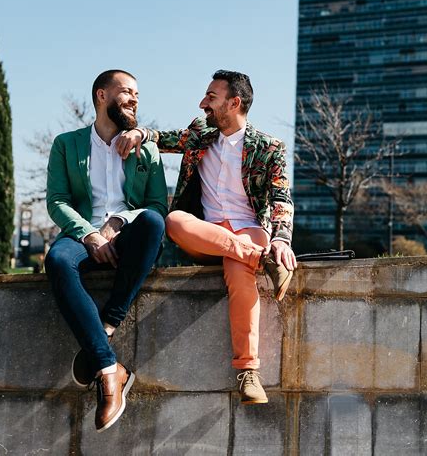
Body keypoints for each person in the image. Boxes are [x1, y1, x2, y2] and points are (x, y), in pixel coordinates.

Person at [117, 69, 295, 405]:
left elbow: (282, 197)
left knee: (240, 275)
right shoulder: (200, 133)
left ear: (234, 102)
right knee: (174, 221)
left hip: (249, 229)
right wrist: (141, 132)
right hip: (205, 232)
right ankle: (261, 260)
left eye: (211, 98)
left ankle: (249, 373)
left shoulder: (270, 148)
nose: (202, 104)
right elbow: (166, 138)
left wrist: (281, 240)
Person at [45, 69, 167, 432]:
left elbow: (157, 206)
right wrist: (89, 235)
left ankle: (107, 324)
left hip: (129, 237)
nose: (134, 99)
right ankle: (109, 369)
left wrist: (117, 223)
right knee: (56, 259)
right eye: (126, 91)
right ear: (102, 95)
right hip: (82, 237)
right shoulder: (67, 143)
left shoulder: (148, 150)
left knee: (154, 224)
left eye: (137, 94)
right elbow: (57, 201)